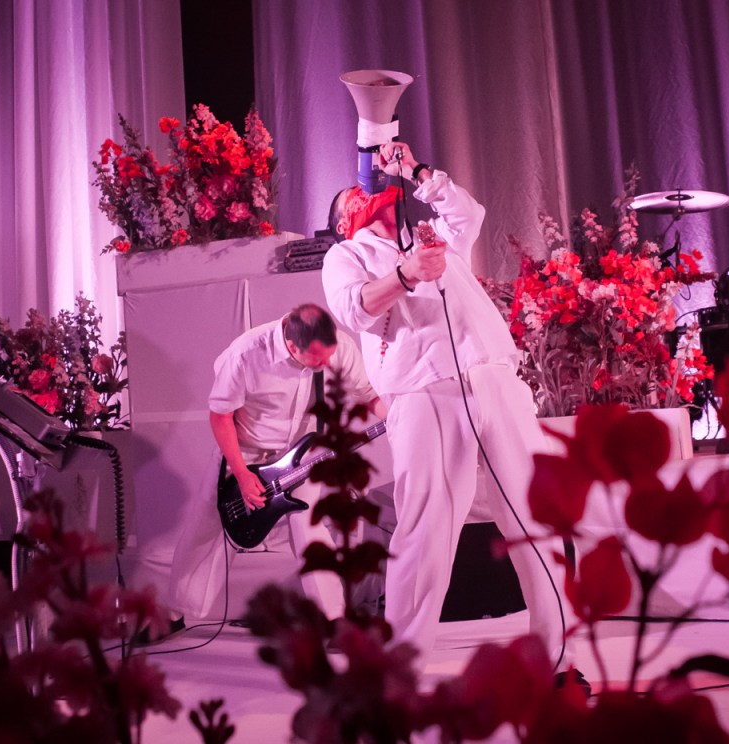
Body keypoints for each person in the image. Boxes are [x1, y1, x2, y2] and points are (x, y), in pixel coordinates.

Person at [322, 141, 574, 678]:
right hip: (423, 393)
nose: (368, 192)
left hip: (494, 377)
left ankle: (555, 661)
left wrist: (414, 170)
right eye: (353, 195)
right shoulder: (345, 256)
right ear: (344, 222)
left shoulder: (429, 233)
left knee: (534, 516)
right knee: (424, 533)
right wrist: (406, 274)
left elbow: (469, 215)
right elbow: (353, 309)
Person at [168, 303, 386, 624]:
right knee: (208, 524)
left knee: (308, 522)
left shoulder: (339, 346)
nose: (327, 364)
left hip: (301, 451)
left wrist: (397, 418)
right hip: (246, 449)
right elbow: (221, 417)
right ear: (293, 346)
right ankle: (174, 613)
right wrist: (242, 474)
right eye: (318, 360)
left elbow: (368, 394)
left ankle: (334, 619)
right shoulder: (245, 354)